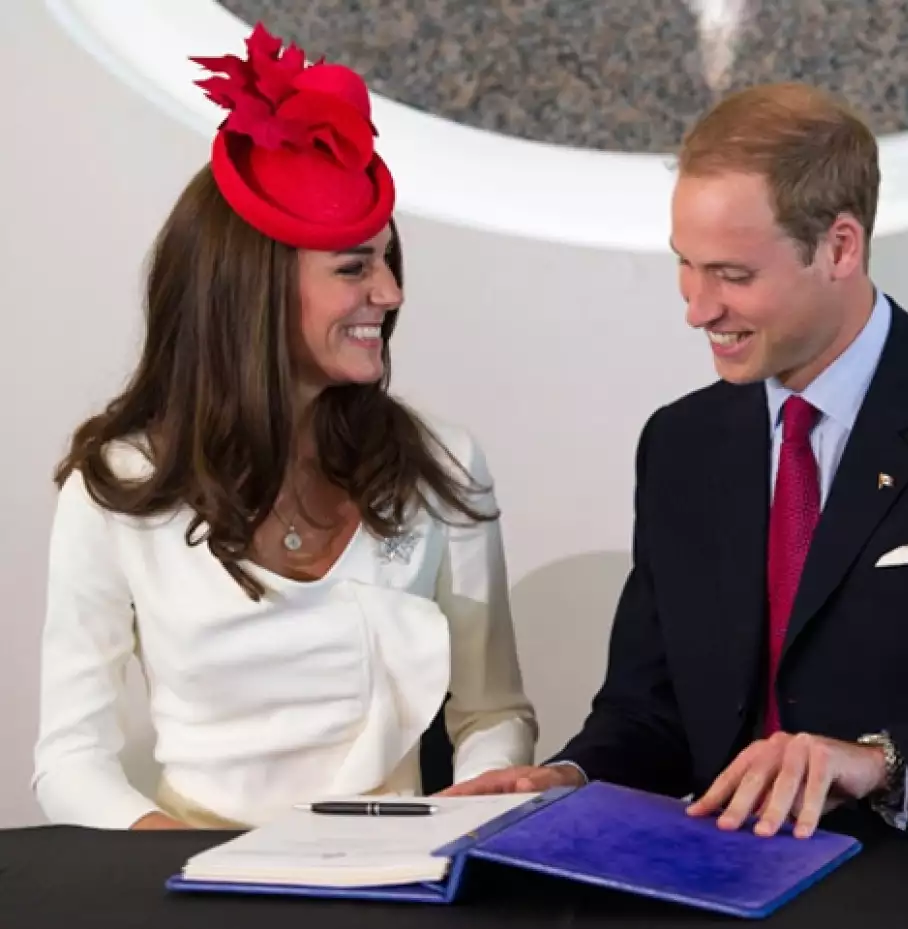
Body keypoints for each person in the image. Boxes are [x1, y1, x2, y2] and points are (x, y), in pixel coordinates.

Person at [444, 82, 908, 838]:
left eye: (733, 275)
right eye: (686, 265)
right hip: (720, 880)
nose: (697, 308)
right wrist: (568, 778)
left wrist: (879, 765)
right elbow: (650, 714)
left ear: (840, 247)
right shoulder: (681, 443)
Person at [32, 23, 535, 830]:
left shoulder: (444, 462)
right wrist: (179, 859)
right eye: (354, 267)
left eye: (388, 260)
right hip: (188, 871)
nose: (390, 293)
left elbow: (493, 711)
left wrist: (466, 805)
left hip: (393, 866)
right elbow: (69, 759)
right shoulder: (118, 487)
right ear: (252, 289)